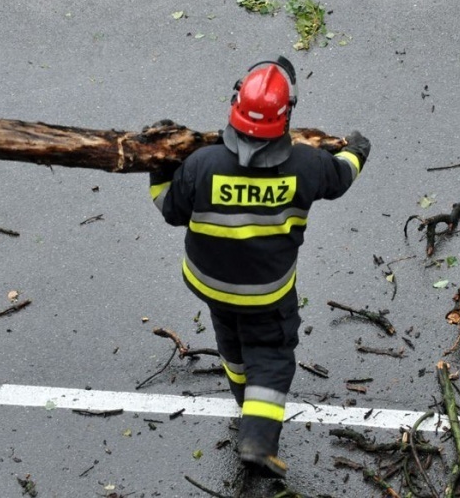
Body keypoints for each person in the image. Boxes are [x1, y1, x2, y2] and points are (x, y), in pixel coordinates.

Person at [148, 57, 370, 479]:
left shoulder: (202, 164)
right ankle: (258, 440)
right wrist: (358, 150)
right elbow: (341, 177)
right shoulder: (308, 165)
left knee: (231, 342)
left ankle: (241, 399)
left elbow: (169, 209)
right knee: (271, 356)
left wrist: (159, 166)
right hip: (266, 294)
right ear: (285, 118)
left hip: (209, 284)